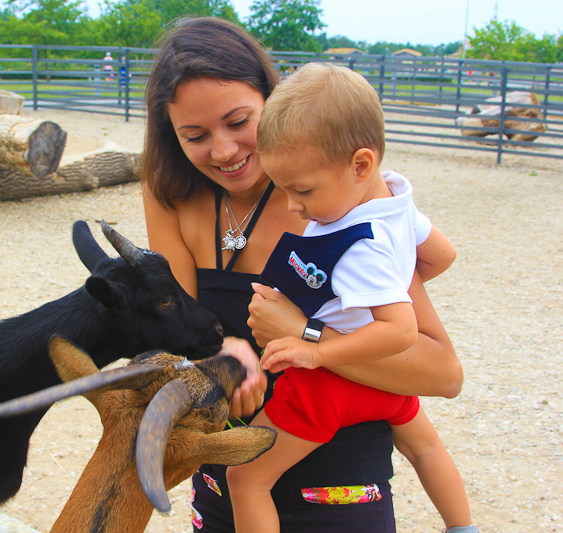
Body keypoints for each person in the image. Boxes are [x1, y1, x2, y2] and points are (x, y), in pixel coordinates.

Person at [141, 17, 463, 533]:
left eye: (239, 121)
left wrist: (306, 334)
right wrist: (219, 348)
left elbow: (442, 373)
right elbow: (177, 329)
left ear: (276, 102)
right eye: (195, 135)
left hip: (341, 492)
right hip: (226, 485)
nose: (223, 151)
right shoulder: (168, 193)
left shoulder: (338, 204)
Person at [224, 63, 477, 533]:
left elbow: (400, 330)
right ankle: (463, 526)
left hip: (332, 386)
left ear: (360, 164)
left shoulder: (358, 241)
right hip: (389, 387)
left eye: (302, 190)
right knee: (425, 447)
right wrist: (392, 281)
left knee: (246, 477)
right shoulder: (396, 199)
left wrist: (317, 350)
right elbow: (442, 256)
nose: (294, 206)